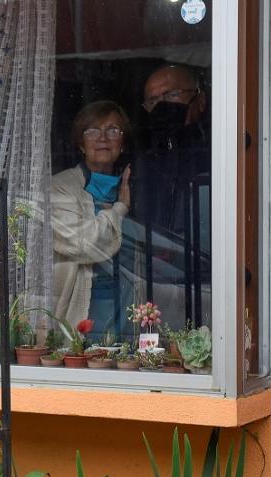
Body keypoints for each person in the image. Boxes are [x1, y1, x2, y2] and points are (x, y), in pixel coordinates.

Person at [128, 64, 211, 327]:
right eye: (153, 100)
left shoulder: (220, 152)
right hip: (155, 280)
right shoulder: (143, 163)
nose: (163, 106)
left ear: (200, 99)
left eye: (172, 94)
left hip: (213, 280)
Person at [51, 100, 132, 335]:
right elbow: (82, 243)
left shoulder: (133, 185)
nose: (103, 138)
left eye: (113, 130)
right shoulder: (60, 187)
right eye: (92, 130)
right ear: (81, 144)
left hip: (124, 299)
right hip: (82, 302)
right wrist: (120, 209)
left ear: (122, 144)